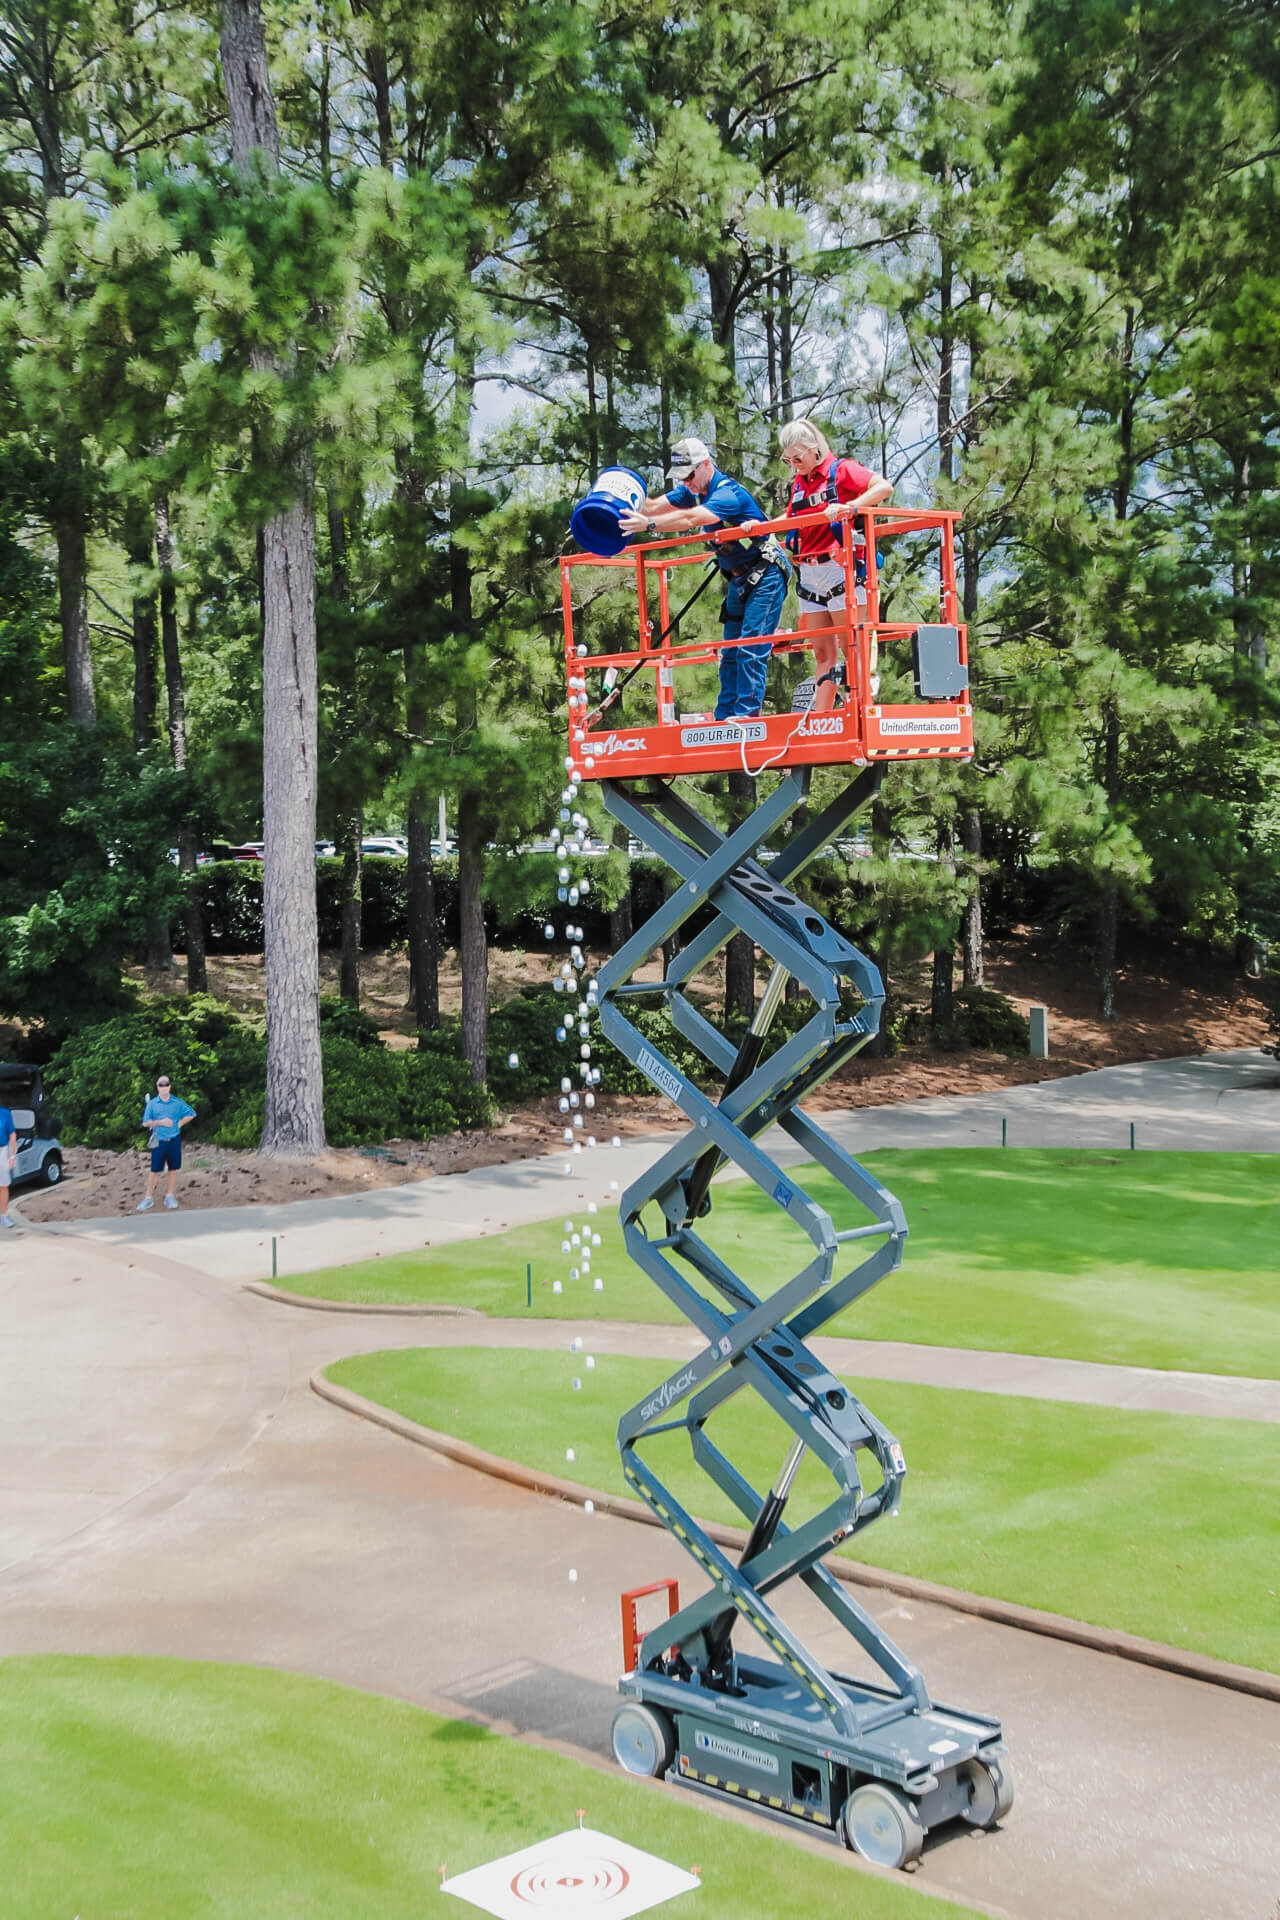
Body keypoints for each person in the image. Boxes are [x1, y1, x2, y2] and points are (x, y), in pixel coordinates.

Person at [618, 436, 792, 721]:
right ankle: (725, 716)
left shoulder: (727, 493)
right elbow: (650, 507)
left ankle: (746, 718)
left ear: (706, 465)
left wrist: (649, 525)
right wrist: (616, 499)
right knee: (730, 652)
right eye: (681, 478)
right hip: (740, 579)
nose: (685, 482)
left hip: (766, 574)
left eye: (689, 475)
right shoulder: (693, 491)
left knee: (750, 648)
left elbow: (689, 520)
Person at [779, 419, 893, 714]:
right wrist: (759, 528)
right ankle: (822, 716)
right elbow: (791, 516)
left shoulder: (841, 471)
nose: (794, 465)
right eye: (788, 460)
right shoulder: (799, 483)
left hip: (840, 568)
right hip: (809, 572)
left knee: (852, 647)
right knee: (822, 653)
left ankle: (858, 711)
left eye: (797, 458)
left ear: (813, 449)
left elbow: (883, 487)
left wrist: (851, 506)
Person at [137, 1075, 196, 1212]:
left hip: (174, 1140)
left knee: (172, 1169)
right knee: (154, 1170)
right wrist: (160, 1122)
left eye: (166, 1084)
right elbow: (146, 1123)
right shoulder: (152, 1104)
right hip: (159, 1141)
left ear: (169, 1086)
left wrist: (179, 1124)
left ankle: (169, 1196)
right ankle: (148, 1198)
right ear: (157, 1087)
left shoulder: (177, 1103)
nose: (163, 1087)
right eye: (160, 1085)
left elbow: (191, 1114)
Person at [0, 1099, 15, 1229]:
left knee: (3, 1186)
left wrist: (12, 1156)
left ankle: (3, 1216)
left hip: (2, 1151)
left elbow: (12, 1135)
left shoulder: (5, 1113)